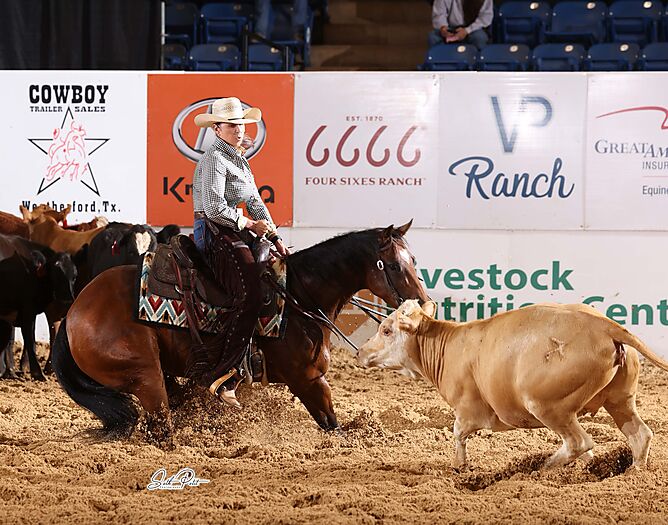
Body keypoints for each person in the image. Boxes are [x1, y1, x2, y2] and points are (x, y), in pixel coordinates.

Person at [191, 96, 288, 408]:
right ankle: (224, 375)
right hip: (213, 231)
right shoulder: (214, 159)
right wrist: (249, 224)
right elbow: (214, 208)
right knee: (250, 294)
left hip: (232, 229)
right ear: (217, 129)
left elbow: (256, 202)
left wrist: (274, 236)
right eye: (231, 125)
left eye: (241, 124)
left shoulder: (239, 160)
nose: (239, 129)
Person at [428, 0, 493, 50]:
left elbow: (485, 18)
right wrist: (443, 28)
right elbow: (439, 14)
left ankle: (476, 62)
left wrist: (466, 31)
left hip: (472, 28)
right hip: (450, 28)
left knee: (479, 37)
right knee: (433, 37)